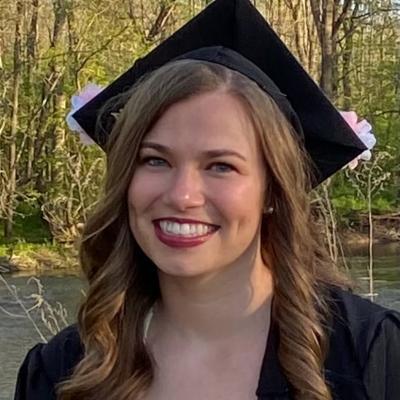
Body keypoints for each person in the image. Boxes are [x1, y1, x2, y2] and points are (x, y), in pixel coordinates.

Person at [14, 1, 399, 400]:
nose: (182, 195)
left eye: (220, 166)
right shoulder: (65, 370)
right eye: (155, 160)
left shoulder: (373, 357)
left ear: (273, 190)